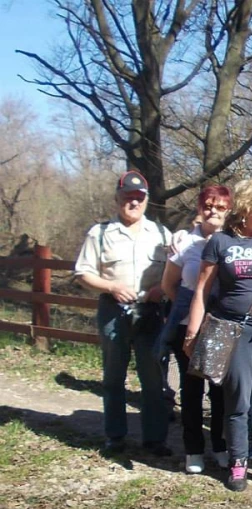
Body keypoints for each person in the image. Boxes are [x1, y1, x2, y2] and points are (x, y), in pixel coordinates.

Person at [185, 178, 252, 493]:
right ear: (246, 207)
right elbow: (202, 290)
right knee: (238, 401)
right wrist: (192, 332)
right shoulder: (220, 242)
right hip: (234, 330)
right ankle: (238, 462)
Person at [75, 171, 172, 456]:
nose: (133, 202)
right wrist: (111, 286)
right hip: (113, 310)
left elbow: (173, 272)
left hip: (151, 313)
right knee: (113, 377)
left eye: (138, 198)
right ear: (118, 199)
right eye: (128, 197)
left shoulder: (162, 234)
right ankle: (115, 437)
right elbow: (83, 272)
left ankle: (155, 440)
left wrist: (161, 289)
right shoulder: (100, 233)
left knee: (153, 379)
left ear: (146, 200)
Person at [161, 185, 232, 474]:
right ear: (200, 208)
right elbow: (168, 285)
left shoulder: (232, 241)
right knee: (191, 391)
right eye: (208, 206)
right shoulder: (184, 243)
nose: (213, 211)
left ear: (228, 211)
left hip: (221, 326)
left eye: (219, 207)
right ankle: (193, 450)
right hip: (187, 326)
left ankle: (220, 446)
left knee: (219, 391)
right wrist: (191, 311)